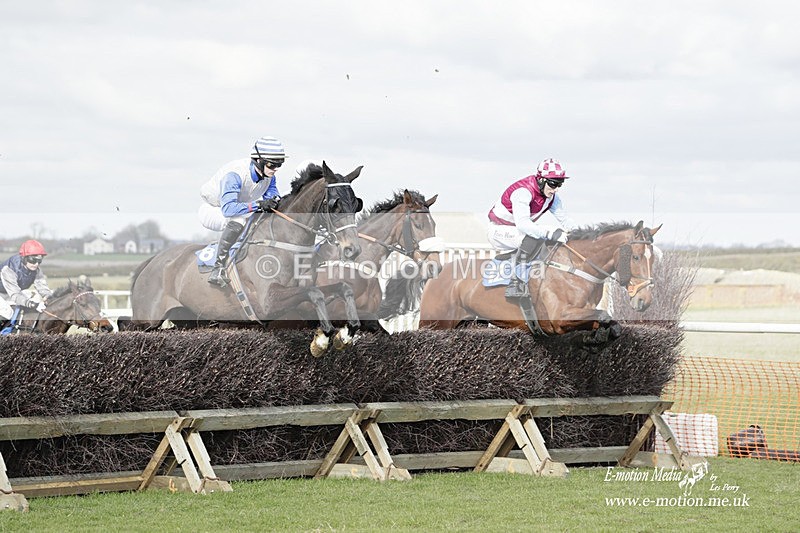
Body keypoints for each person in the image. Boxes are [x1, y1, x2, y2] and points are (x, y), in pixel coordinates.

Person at [199, 136, 286, 286]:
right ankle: (218, 268)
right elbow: (228, 209)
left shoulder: (269, 177)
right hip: (214, 208)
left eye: (280, 164)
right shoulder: (235, 175)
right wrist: (259, 205)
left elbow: (273, 198)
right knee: (238, 220)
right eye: (272, 164)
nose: (276, 169)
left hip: (239, 207)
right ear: (258, 161)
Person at [487, 158, 577, 297]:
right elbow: (523, 224)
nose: (556, 189)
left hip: (516, 231)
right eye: (553, 184)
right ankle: (514, 283)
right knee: (534, 236)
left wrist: (584, 234)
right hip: (498, 231)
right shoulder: (523, 192)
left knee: (550, 236)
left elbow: (566, 220)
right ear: (541, 180)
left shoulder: (552, 197)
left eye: (560, 184)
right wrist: (549, 233)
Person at [0, 240, 53, 324]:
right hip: (5, 293)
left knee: (35, 297)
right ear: (23, 258)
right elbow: (15, 295)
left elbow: (42, 288)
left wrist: (48, 297)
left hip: (10, 292)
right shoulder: (8, 269)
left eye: (39, 261)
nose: (36, 264)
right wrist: (33, 305)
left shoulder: (36, 270)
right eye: (33, 260)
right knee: (8, 313)